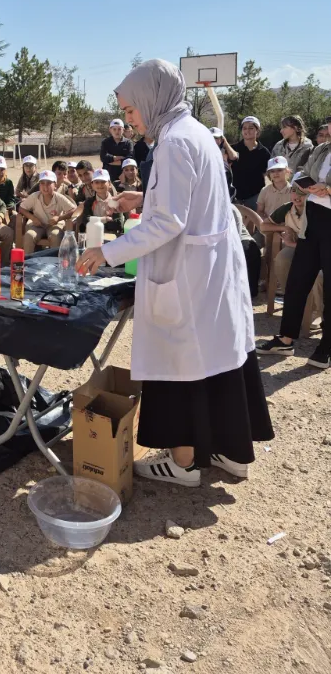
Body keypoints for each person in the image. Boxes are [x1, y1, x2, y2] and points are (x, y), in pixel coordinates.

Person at [78, 58, 273, 487]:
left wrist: (105, 252)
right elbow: (184, 202)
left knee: (178, 364)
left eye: (131, 111)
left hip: (188, 276)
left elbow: (169, 223)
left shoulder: (173, 143)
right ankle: (230, 451)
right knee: (220, 361)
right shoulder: (194, 132)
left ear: (152, 100)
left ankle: (183, 463)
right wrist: (142, 197)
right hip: (210, 272)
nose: (128, 122)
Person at [258, 115, 331, 368]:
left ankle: (326, 347)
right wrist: (312, 186)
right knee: (298, 281)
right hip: (313, 221)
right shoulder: (321, 149)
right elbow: (304, 173)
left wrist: (328, 188)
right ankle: (286, 339)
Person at [263, 178, 323, 325]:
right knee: (282, 259)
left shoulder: (320, 211)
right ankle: (292, 300)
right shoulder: (287, 208)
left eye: (303, 193)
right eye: (294, 191)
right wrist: (284, 228)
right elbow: (264, 226)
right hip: (298, 250)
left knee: (319, 275)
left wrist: (291, 243)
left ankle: (317, 311)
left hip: (318, 253)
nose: (297, 196)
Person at [19, 170, 76, 254]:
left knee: (55, 235)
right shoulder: (35, 196)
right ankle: (28, 262)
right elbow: (21, 208)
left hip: (54, 225)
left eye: (49, 183)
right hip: (38, 224)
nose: (45, 186)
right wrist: (33, 218)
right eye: (42, 183)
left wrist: (59, 218)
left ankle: (54, 264)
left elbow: (74, 210)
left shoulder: (59, 197)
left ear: (55, 185)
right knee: (29, 235)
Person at [230, 116, 270, 210]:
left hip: (255, 197)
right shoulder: (233, 149)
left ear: (257, 131)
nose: (247, 131)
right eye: (244, 128)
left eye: (251, 128)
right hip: (234, 197)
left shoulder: (264, 152)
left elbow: (268, 175)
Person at [75, 168, 125, 238]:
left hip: (111, 237)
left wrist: (94, 221)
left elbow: (118, 224)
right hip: (93, 237)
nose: (100, 185)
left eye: (103, 182)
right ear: (92, 185)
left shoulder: (115, 201)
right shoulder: (89, 202)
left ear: (109, 184)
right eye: (97, 182)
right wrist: (105, 219)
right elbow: (86, 220)